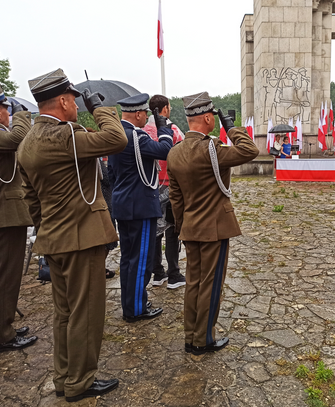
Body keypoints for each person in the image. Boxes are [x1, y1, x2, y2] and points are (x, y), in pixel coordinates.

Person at [17, 68, 127, 402]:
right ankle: (80, 381)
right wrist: (101, 109)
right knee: (86, 313)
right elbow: (116, 139)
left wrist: (49, 225)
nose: (77, 107)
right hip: (82, 239)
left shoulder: (27, 143)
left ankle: (65, 376)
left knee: (64, 313)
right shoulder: (64, 137)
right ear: (63, 101)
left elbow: (30, 199)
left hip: (54, 237)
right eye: (75, 102)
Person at [167, 91, 259, 356]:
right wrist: (231, 127)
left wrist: (183, 226)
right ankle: (203, 339)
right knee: (210, 284)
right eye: (215, 118)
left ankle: (190, 335)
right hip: (214, 228)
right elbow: (250, 150)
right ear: (208, 117)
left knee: (194, 283)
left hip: (190, 228)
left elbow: (176, 199)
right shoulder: (212, 150)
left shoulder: (175, 153)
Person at [0, 84, 38, 355]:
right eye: (8, 112)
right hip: (3, 215)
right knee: (4, 278)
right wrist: (23, 116)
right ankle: (1, 336)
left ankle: (4, 327)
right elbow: (17, 140)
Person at [108, 94, 173, 323]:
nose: (147, 116)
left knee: (128, 259)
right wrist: (163, 125)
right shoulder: (136, 137)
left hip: (123, 205)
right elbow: (165, 149)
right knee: (141, 260)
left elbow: (112, 174)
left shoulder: (115, 135)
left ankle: (131, 303)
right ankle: (135, 309)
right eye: (145, 113)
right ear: (137, 113)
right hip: (141, 206)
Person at [144, 94, 186, 290]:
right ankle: (174, 273)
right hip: (170, 187)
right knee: (171, 230)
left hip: (149, 188)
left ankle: (157, 272)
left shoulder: (143, 130)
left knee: (154, 231)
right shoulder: (173, 131)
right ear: (166, 109)